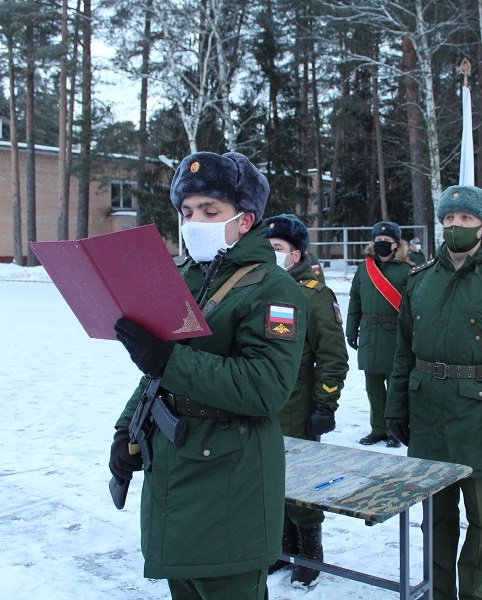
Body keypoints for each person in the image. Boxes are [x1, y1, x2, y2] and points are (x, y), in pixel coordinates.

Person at [108, 151, 307, 600]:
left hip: (231, 478)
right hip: (176, 472)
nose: (194, 220)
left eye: (210, 211)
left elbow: (267, 387)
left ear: (244, 219)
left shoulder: (273, 289)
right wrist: (126, 430)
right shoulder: (181, 277)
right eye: (187, 211)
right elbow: (155, 373)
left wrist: (167, 361)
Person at [385, 185, 482, 600]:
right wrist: (395, 408)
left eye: (465, 220)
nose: (455, 227)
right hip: (428, 412)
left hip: (481, 419)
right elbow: (403, 352)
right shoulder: (420, 279)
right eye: (449, 220)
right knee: (435, 520)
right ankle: (439, 594)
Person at [264, 213, 349, 587]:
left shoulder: (314, 295)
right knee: (269, 474)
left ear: (296, 255)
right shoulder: (263, 287)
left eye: (277, 249)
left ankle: (310, 552)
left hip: (299, 402)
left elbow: (333, 356)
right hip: (265, 398)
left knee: (300, 478)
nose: (270, 255)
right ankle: (283, 546)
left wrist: (324, 404)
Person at [345, 220, 414, 448]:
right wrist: (351, 330)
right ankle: (378, 429)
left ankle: (395, 430)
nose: (382, 244)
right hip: (369, 335)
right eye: (379, 240)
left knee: (395, 387)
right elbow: (355, 299)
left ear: (396, 244)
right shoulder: (365, 268)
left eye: (387, 241)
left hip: (395, 335)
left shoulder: (407, 270)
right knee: (373, 388)